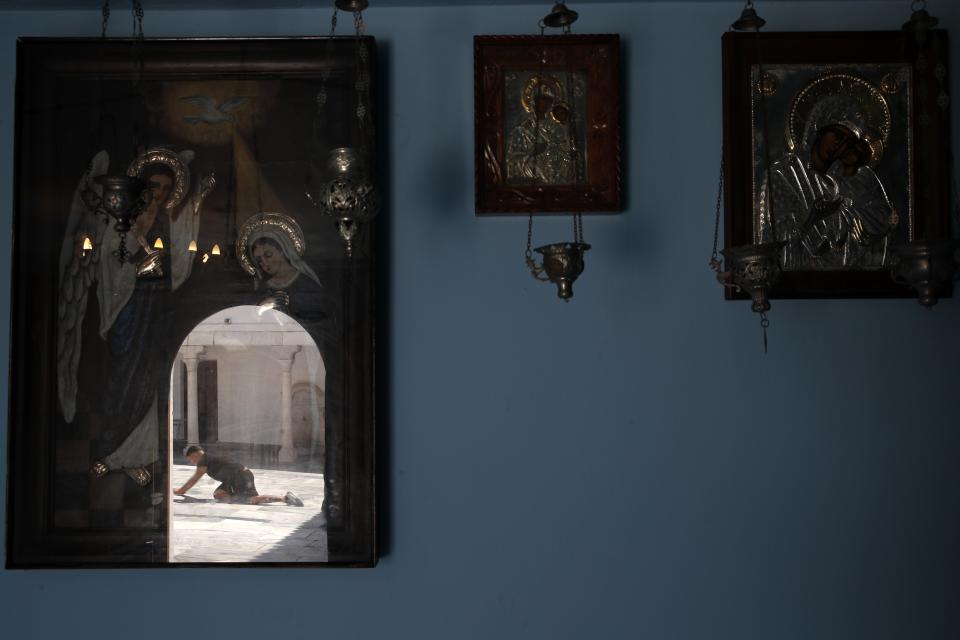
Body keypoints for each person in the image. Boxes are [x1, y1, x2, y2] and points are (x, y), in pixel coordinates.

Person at [174, 445, 304, 506]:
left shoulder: (203, 460)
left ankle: (285, 498)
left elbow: (194, 479)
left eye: (190, 459)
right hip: (235, 477)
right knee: (218, 493)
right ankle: (236, 499)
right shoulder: (208, 458)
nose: (191, 462)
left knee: (252, 499)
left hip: (240, 476)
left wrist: (180, 491)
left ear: (195, 455)